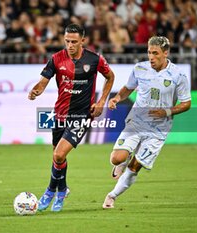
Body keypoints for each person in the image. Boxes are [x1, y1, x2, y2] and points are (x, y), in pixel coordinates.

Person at [28, 24, 114, 212]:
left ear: (83, 41)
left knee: (59, 154)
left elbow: (110, 77)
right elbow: (43, 81)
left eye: (74, 42)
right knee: (57, 158)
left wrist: (101, 102)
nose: (70, 45)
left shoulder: (94, 59)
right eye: (67, 41)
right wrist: (36, 91)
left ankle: (51, 190)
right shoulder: (56, 59)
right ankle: (63, 190)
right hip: (59, 113)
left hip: (81, 115)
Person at [102, 36, 191, 209]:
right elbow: (128, 88)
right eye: (149, 52)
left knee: (136, 165)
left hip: (159, 129)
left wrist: (166, 111)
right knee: (116, 158)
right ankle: (121, 162)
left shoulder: (178, 75)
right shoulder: (139, 69)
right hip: (136, 121)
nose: (151, 57)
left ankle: (112, 196)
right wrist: (116, 98)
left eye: (155, 53)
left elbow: (186, 103)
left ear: (166, 53)